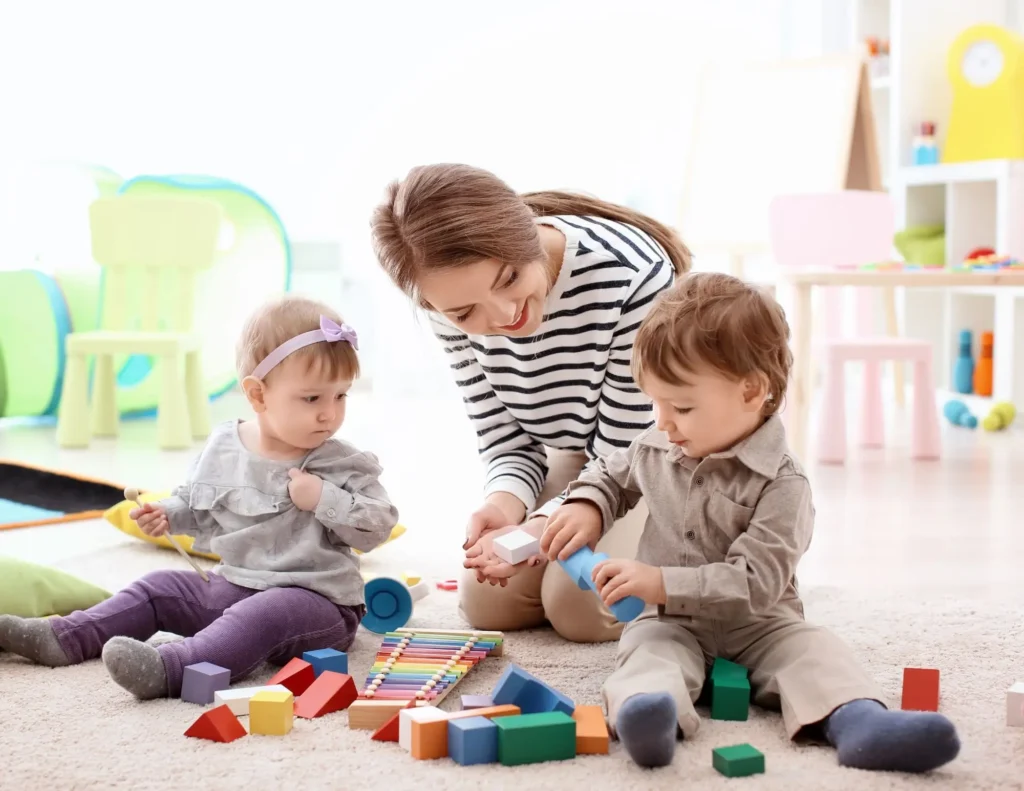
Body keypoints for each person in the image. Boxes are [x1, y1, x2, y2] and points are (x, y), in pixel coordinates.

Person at [533, 272, 961, 771]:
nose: (663, 420)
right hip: (671, 623)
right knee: (647, 654)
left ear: (752, 391)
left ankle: (860, 722)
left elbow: (756, 582)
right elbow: (610, 474)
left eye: (682, 406)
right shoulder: (657, 444)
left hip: (761, 623)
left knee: (815, 651)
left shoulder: (785, 484)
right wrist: (587, 503)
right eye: (655, 402)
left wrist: (659, 581)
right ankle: (647, 717)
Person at [0, 296, 399, 699]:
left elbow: (377, 526)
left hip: (318, 605)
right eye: (313, 398)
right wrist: (169, 514)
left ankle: (172, 667)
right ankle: (64, 637)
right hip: (234, 584)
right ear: (258, 395)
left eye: (341, 396)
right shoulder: (225, 446)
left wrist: (324, 498)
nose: (329, 414)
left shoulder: (341, 462)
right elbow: (197, 504)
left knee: (262, 614)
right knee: (158, 587)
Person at [371, 163, 691, 642]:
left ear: (526, 237)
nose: (504, 316)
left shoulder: (630, 274)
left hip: (654, 457)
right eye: (464, 312)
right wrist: (505, 505)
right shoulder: (444, 307)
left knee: (581, 607)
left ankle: (699, 560)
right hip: (582, 453)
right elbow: (507, 440)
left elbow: (624, 453)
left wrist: (540, 527)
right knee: (488, 602)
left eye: (509, 278)